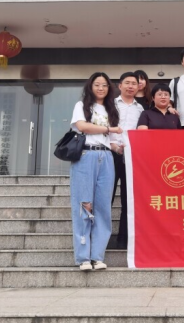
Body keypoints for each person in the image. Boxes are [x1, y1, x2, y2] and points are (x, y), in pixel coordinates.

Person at [70, 73, 123, 271]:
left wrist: (120, 148)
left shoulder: (112, 109)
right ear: (90, 87)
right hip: (86, 156)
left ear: (109, 88)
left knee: (103, 207)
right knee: (84, 204)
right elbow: (82, 126)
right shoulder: (82, 105)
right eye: (97, 85)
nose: (101, 88)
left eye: (104, 85)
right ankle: (83, 257)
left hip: (107, 157)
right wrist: (109, 129)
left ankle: (97, 256)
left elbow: (112, 141)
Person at [113, 72, 144, 250]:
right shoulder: (110, 105)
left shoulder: (140, 109)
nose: (131, 86)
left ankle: (123, 240)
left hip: (130, 156)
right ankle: (100, 238)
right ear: (120, 86)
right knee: (106, 198)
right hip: (110, 154)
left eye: (134, 83)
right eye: (127, 83)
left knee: (128, 199)